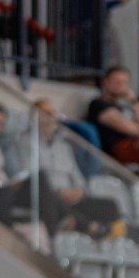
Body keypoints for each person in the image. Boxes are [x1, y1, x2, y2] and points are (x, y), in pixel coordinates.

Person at [31, 101, 121, 238]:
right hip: (49, 197)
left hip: (72, 198)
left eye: (52, 113)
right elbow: (33, 176)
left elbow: (77, 175)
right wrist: (59, 192)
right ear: (34, 116)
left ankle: (77, 224)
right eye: (46, 113)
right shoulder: (27, 142)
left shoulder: (64, 147)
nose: (51, 116)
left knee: (110, 206)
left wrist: (79, 191)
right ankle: (87, 226)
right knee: (53, 201)